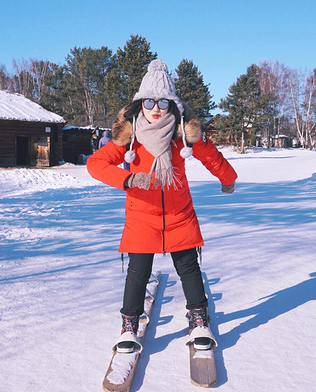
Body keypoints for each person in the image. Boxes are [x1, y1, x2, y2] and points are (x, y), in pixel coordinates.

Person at [87, 60, 237, 354]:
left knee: (189, 268)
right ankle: (129, 324)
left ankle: (198, 319)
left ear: (173, 106)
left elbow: (211, 155)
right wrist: (128, 179)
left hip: (180, 215)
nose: (156, 108)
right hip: (142, 217)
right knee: (138, 271)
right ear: (139, 104)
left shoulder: (182, 136)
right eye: (149, 101)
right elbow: (95, 164)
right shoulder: (129, 140)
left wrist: (228, 178)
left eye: (164, 102)